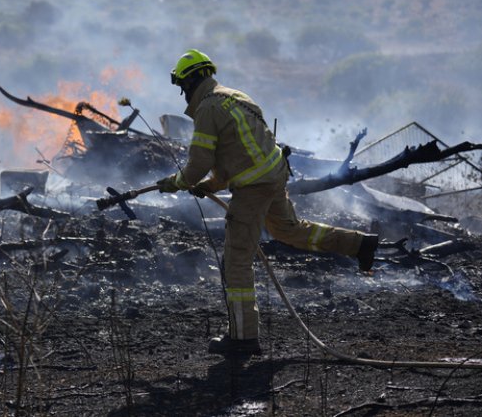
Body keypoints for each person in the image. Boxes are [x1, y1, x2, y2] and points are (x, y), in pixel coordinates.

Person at [156, 50, 379, 357]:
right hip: (273, 176)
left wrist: (177, 182)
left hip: (254, 188)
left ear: (191, 79)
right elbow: (231, 158)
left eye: (183, 84)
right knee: (290, 230)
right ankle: (360, 245)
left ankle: (243, 338)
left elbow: (199, 162)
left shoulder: (208, 108)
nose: (183, 92)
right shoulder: (236, 97)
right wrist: (210, 185)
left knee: (236, 259)